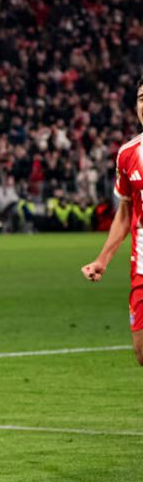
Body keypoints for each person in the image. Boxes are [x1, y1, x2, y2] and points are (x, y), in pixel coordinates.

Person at [81, 78, 143, 367]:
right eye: (141, 97)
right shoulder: (128, 154)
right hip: (142, 265)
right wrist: (102, 260)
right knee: (141, 351)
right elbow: (124, 213)